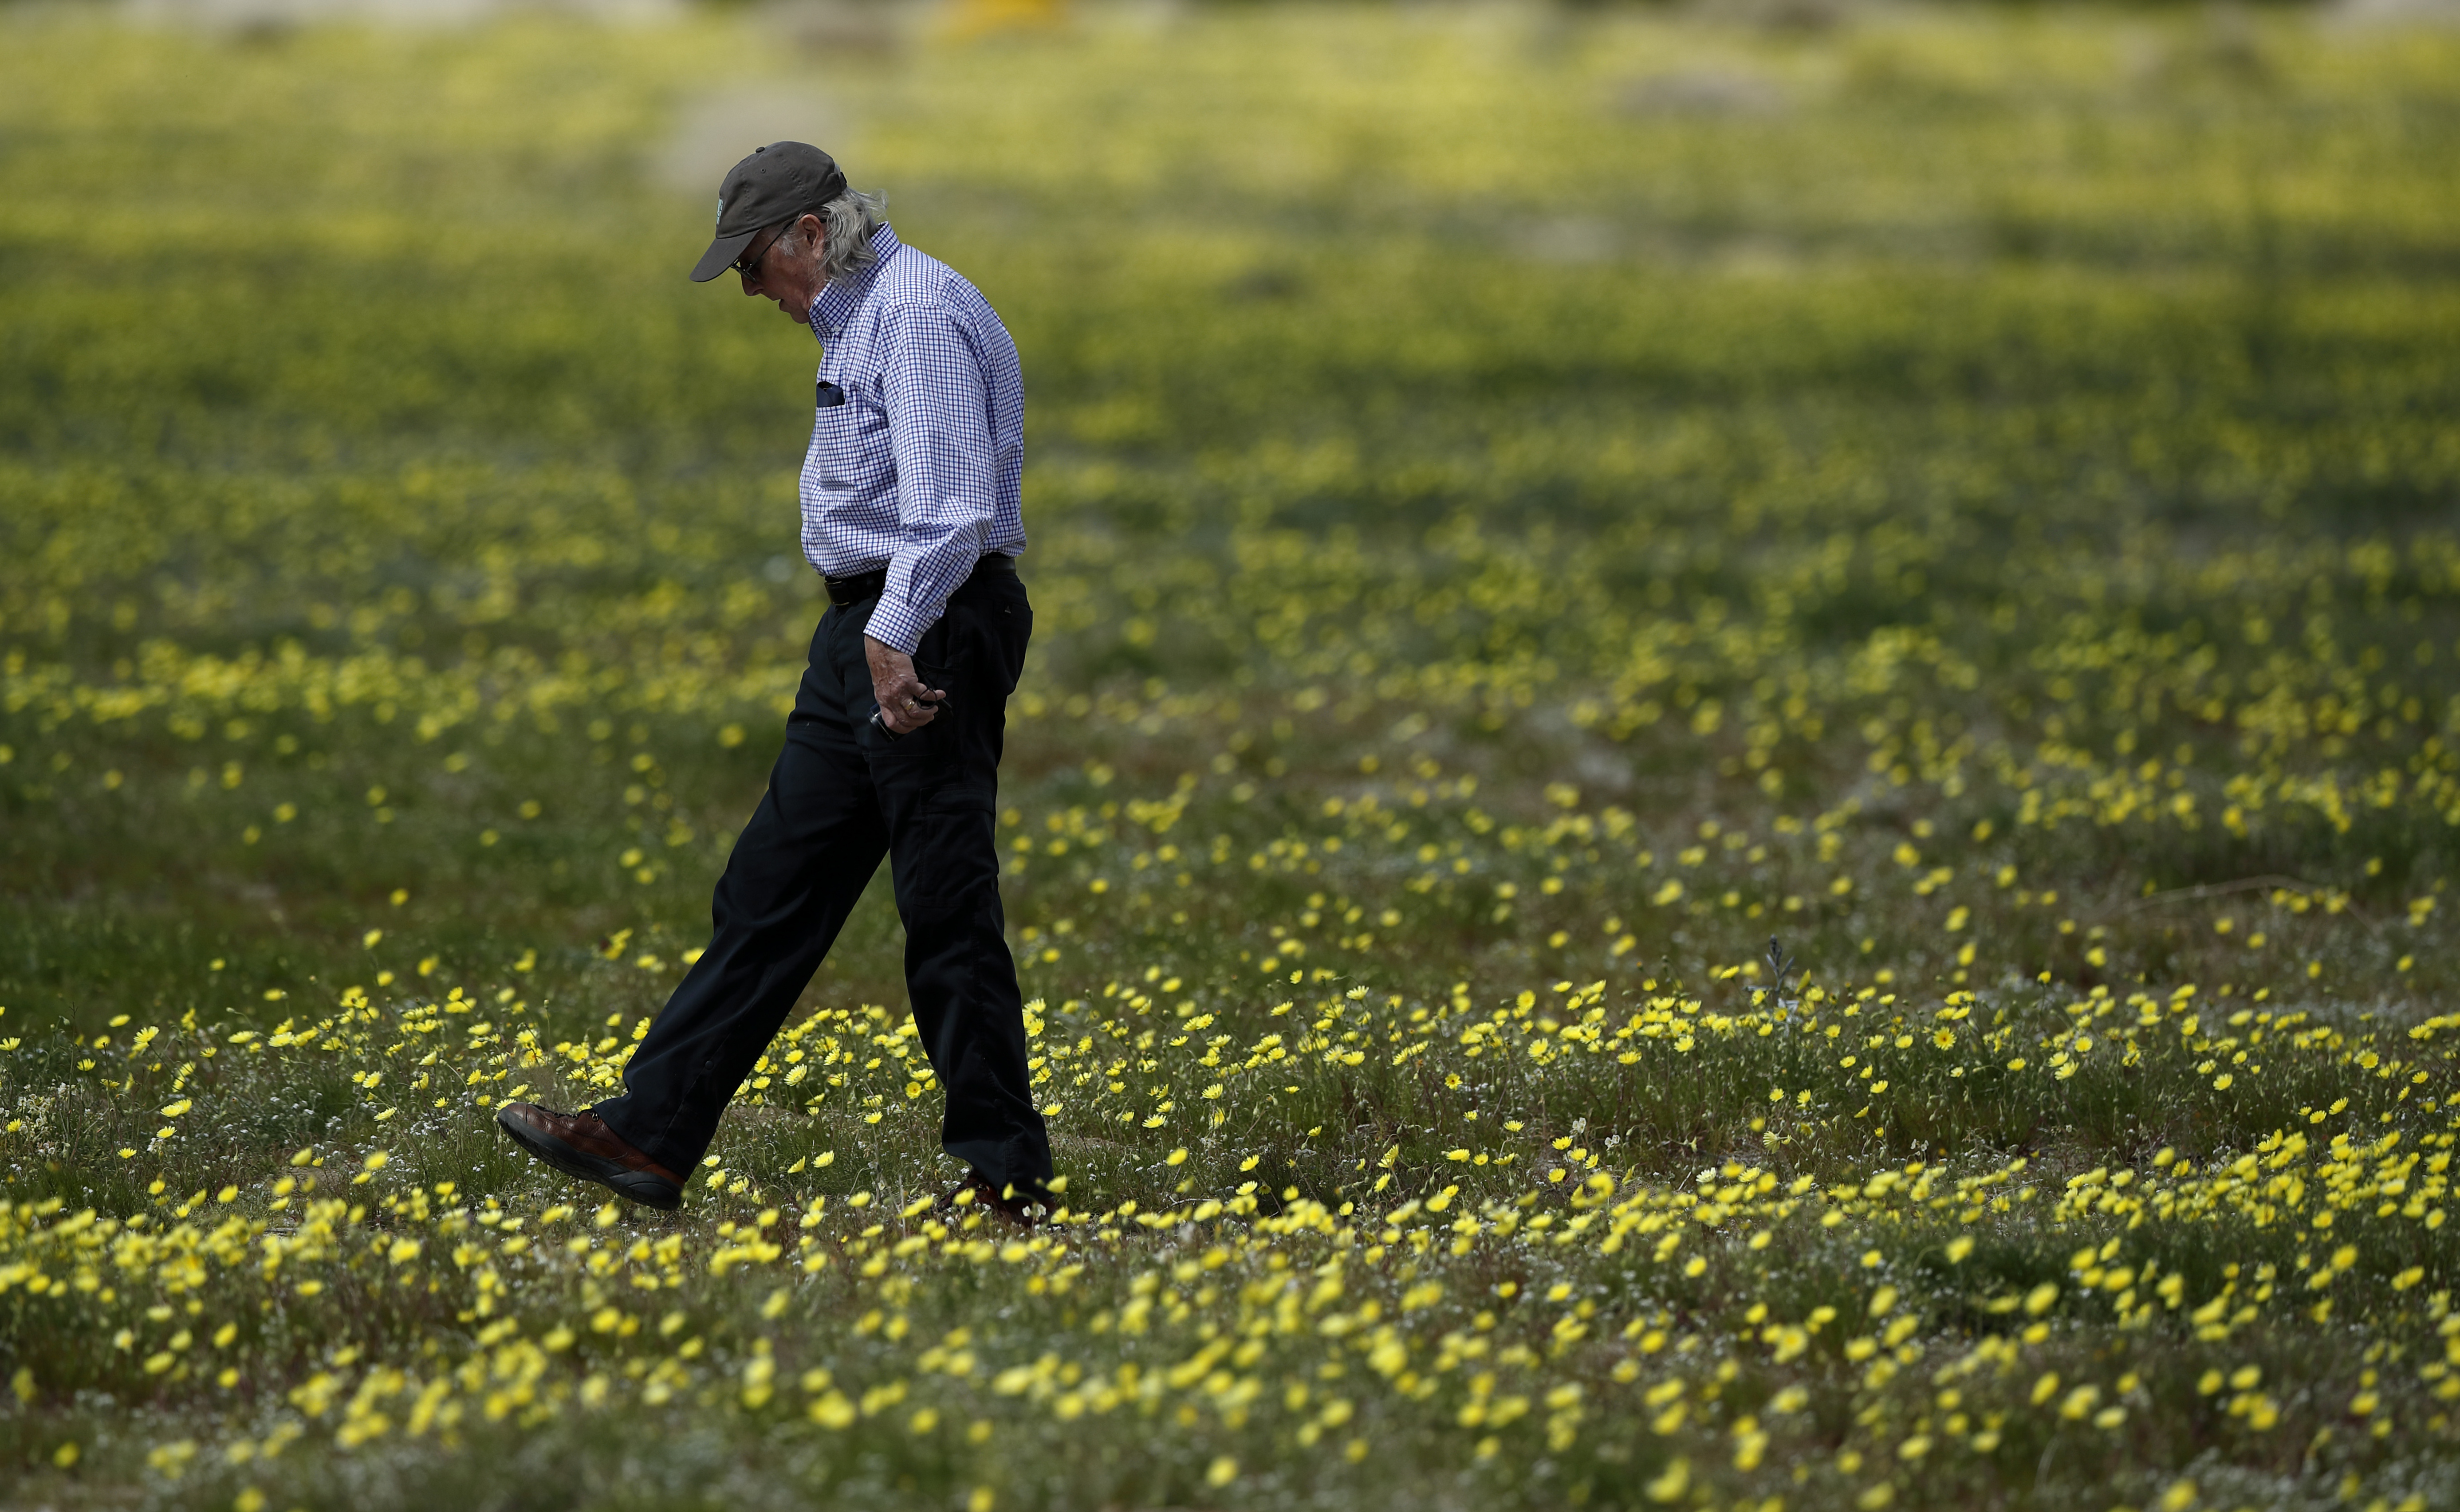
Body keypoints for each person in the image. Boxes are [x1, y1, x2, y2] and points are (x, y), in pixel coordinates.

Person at [496, 142, 1051, 1225]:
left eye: (753, 264)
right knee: (770, 890)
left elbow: (952, 510)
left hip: (921, 625)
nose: (751, 291)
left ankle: (1004, 1182)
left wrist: (893, 641)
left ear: (811, 234)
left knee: (945, 909)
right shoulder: (863, 314)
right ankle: (649, 1136)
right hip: (868, 631)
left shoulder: (919, 315)